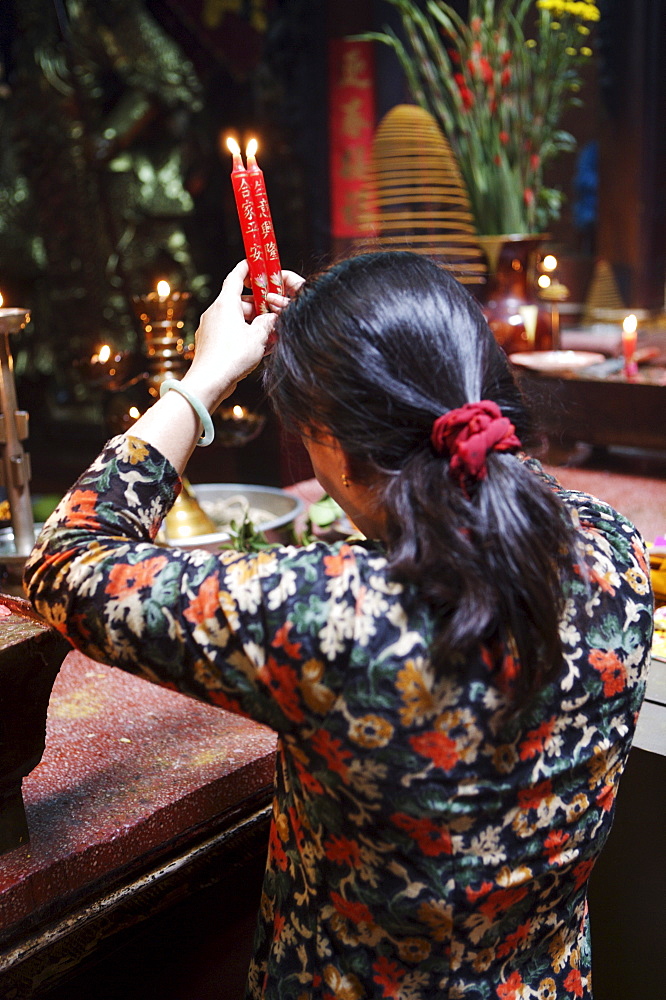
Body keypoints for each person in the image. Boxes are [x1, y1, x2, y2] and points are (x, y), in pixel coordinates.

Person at [24, 252, 653, 999]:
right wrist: (348, 339)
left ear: (341, 454)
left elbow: (68, 559)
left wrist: (202, 382)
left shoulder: (339, 616)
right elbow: (492, 464)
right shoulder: (614, 548)